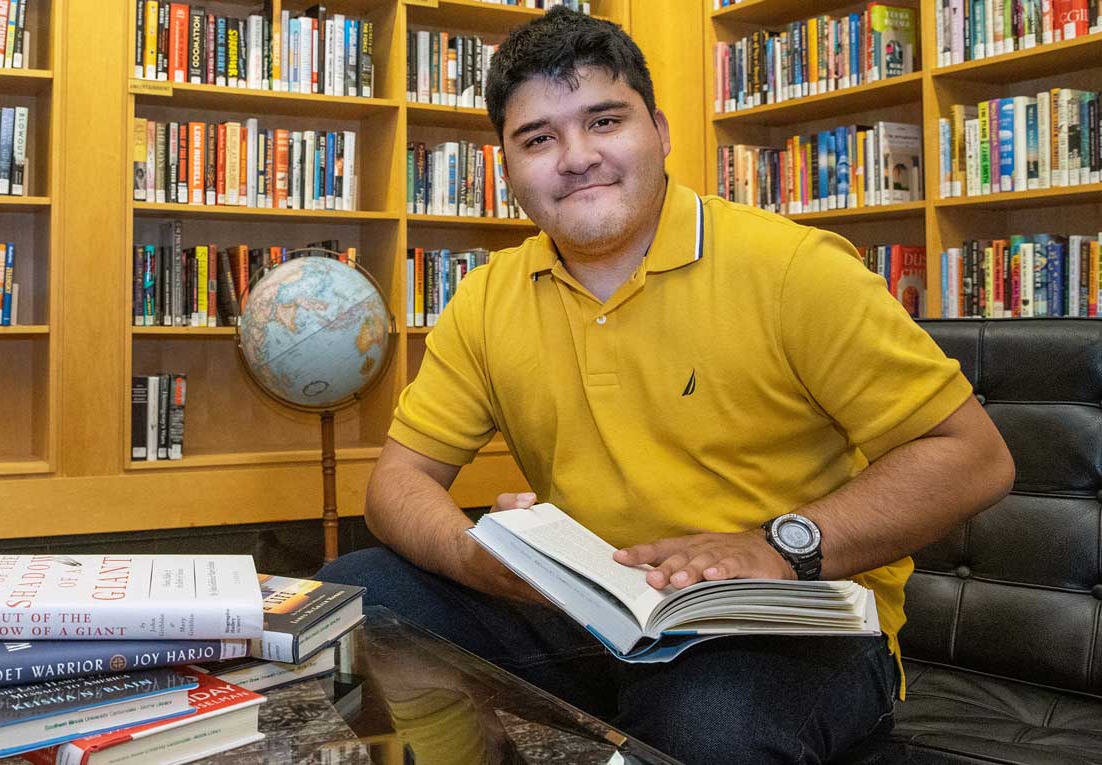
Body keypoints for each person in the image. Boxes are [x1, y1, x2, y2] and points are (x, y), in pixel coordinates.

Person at [319, 8, 1015, 763]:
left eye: (604, 120)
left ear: (660, 129)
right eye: (538, 138)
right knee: (349, 600)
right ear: (507, 165)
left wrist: (780, 546)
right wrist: (479, 556)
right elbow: (397, 482)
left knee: (709, 724)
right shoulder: (488, 297)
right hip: (594, 611)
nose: (577, 156)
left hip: (789, 622)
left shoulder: (793, 269)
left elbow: (974, 455)